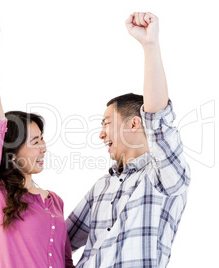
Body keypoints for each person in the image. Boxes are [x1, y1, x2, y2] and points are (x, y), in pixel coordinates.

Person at [66, 12, 191, 268]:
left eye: (107, 123)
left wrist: (150, 45)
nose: (100, 134)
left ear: (134, 123)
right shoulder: (100, 188)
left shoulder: (163, 177)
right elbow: (57, 242)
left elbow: (158, 119)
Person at [0, 23, 74, 268]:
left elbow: (66, 261)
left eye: (43, 139)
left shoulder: (54, 201)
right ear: (12, 152)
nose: (44, 148)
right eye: (35, 142)